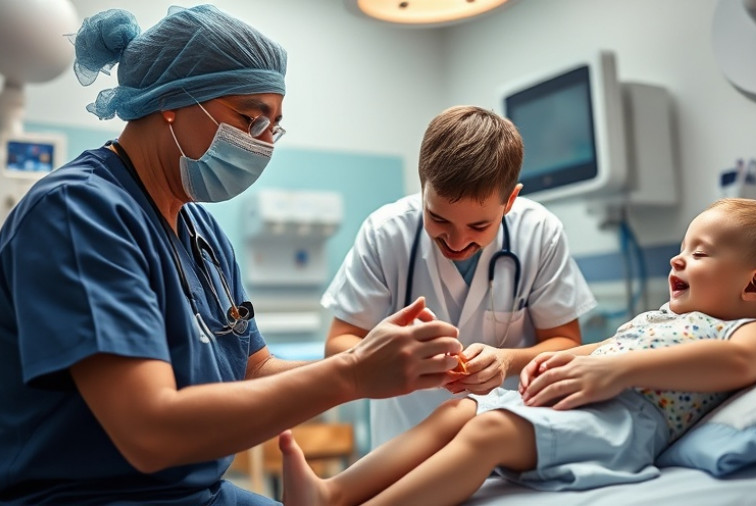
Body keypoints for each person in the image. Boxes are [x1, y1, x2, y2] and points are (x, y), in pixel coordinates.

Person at [0, 6, 463, 505]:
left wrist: (375, 363)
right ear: (171, 100)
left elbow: (254, 370)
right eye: (250, 118)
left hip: (197, 492)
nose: (263, 144)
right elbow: (149, 430)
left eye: (273, 127)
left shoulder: (200, 231)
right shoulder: (78, 213)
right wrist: (349, 376)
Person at [279, 198, 756, 506]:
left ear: (754, 285)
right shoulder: (660, 320)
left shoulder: (749, 333)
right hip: (578, 407)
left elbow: (740, 364)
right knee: (460, 411)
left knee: (489, 433)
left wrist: (618, 370)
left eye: (699, 254)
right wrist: (565, 360)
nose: (677, 261)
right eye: (681, 250)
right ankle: (333, 495)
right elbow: (600, 347)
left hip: (625, 424)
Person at [321, 105, 598, 447]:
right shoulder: (386, 233)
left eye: (479, 226)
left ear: (510, 200)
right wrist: (398, 358)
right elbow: (339, 345)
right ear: (423, 189)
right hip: (401, 440)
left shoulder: (540, 233)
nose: (456, 242)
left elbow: (567, 342)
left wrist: (507, 361)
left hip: (506, 439)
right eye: (438, 219)